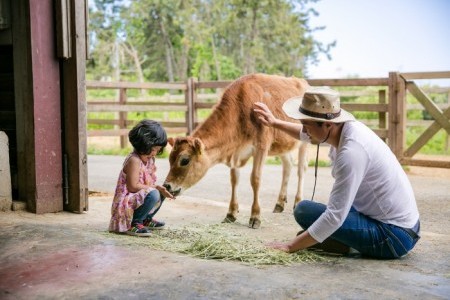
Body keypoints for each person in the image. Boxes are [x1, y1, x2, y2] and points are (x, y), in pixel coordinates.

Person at [253, 87, 420, 259]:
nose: (304, 130)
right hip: (398, 224)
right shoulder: (344, 130)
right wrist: (274, 123)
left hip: (393, 237)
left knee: (309, 218)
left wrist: (289, 247)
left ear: (327, 124)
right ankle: (344, 241)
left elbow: (334, 217)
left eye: (306, 125)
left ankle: (352, 247)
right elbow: (306, 135)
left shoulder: (351, 153)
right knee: (305, 211)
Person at [109, 119, 175, 237]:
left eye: (158, 150)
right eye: (154, 149)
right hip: (126, 203)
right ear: (144, 144)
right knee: (154, 193)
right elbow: (133, 187)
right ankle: (134, 223)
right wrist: (155, 188)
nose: (155, 153)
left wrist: (159, 189)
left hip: (137, 198)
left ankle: (145, 219)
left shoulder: (149, 159)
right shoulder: (134, 160)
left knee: (160, 192)